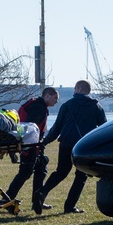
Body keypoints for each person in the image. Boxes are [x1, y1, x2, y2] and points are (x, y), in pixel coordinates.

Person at [33, 80, 107, 214]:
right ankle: (69, 206)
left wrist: (45, 141)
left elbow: (57, 128)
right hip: (84, 146)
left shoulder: (67, 105)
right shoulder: (96, 106)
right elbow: (103, 128)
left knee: (61, 172)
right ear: (87, 90)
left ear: (78, 88)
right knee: (81, 175)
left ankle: (42, 193)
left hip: (66, 143)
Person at [6, 87, 60, 209]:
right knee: (25, 173)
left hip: (33, 145)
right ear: (47, 96)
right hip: (30, 146)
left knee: (41, 170)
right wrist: (30, 146)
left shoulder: (35, 104)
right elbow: (30, 128)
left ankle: (37, 201)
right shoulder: (39, 108)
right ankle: (7, 199)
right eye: (55, 98)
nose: (56, 101)